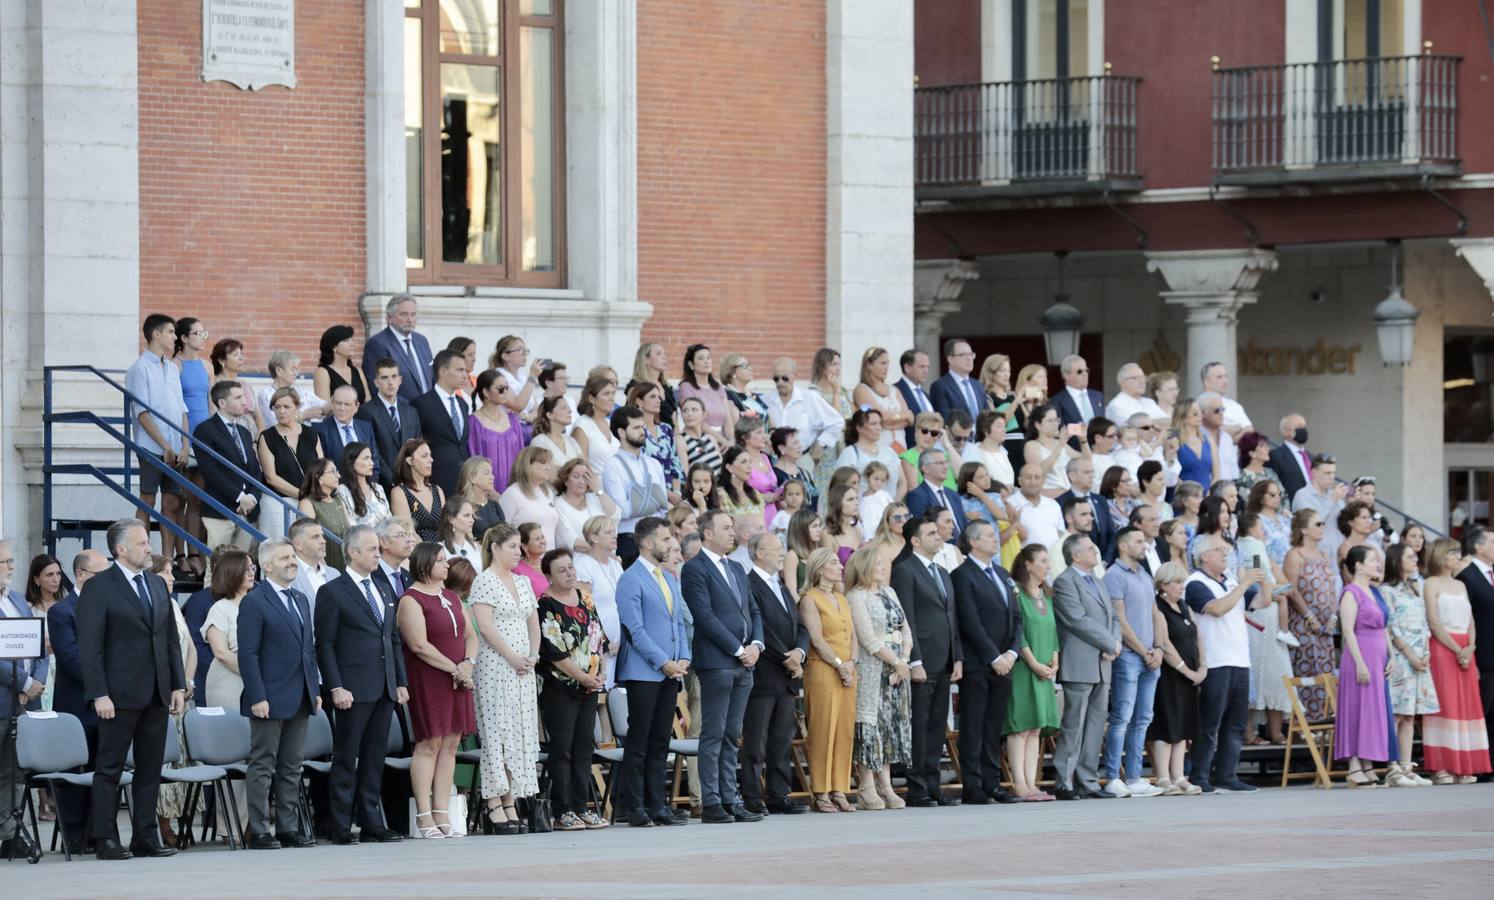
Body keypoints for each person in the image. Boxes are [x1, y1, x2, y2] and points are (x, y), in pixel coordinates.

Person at [73, 520, 184, 859]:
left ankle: (145, 837)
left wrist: (178, 684)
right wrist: (99, 693)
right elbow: (89, 647)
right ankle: (105, 838)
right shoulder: (100, 587)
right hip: (117, 695)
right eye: (142, 543)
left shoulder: (155, 584)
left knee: (150, 770)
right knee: (110, 768)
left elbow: (169, 640)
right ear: (121, 550)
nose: (149, 548)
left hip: (156, 692)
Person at [312, 526, 408, 844]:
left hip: (383, 687)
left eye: (377, 549)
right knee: (346, 756)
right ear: (351, 552)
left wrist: (400, 681)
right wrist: (336, 686)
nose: (377, 554)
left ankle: (371, 821)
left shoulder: (383, 588)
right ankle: (339, 823)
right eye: (370, 549)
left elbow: (392, 638)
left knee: (374, 756)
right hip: (352, 688)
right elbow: (324, 644)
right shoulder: (333, 591)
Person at [680, 510, 765, 824]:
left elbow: (753, 611)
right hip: (717, 662)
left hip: (745, 662)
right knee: (713, 734)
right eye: (726, 528)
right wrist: (738, 648)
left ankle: (731, 797)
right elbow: (704, 616)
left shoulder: (738, 568)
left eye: (733, 527)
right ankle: (712, 801)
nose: (733, 532)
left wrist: (756, 645)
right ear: (707, 533)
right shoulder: (694, 568)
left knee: (732, 734)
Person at [236, 539, 320, 849]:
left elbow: (307, 650)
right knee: (263, 764)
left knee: (291, 765)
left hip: (299, 695)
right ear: (266, 566)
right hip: (268, 697)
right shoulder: (254, 601)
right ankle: (258, 830)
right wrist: (257, 696)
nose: (292, 561)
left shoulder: (299, 599)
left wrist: (314, 688)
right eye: (284, 557)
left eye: (293, 556)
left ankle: (288, 827)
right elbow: (248, 654)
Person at [613, 517, 691, 826]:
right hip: (644, 672)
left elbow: (678, 623)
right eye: (664, 539)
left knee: (661, 740)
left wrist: (683, 656)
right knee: (639, 740)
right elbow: (634, 629)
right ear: (647, 542)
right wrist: (662, 661)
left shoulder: (669, 576)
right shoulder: (631, 578)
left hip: (670, 671)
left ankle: (658, 804)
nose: (670, 544)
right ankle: (636, 806)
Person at [469, 524, 542, 833]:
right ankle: (493, 802)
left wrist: (533, 654)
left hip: (524, 667)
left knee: (518, 732)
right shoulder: (483, 581)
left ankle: (511, 798)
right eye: (512, 546)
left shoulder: (524, 582)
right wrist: (512, 657)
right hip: (496, 666)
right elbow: (485, 628)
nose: (518, 551)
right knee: (497, 732)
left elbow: (533, 624)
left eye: (519, 546)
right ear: (495, 548)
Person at [535, 549, 611, 831]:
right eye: (562, 570)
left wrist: (601, 672)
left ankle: (582, 806)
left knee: (584, 747)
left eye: (571, 568)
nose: (569, 574)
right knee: (562, 748)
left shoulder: (586, 599)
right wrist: (582, 677)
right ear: (549, 576)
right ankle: (563, 808)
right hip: (561, 686)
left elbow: (598, 639)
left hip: (589, 686)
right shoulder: (546, 605)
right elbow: (554, 651)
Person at [890, 515, 962, 806]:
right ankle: (917, 786)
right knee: (919, 725)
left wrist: (957, 657)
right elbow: (906, 617)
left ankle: (933, 784)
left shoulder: (943, 572)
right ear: (915, 540)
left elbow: (951, 618)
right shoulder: (905, 570)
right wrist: (914, 660)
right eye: (931, 532)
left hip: (944, 659)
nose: (939, 535)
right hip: (922, 660)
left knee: (936, 726)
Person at [1185, 534, 1264, 794]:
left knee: (1236, 723)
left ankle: (1227, 774)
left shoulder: (1230, 580)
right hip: (1216, 660)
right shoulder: (1195, 582)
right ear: (1204, 555)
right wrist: (1243, 585)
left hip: (1240, 659)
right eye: (1219, 551)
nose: (1225, 555)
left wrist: (1264, 579)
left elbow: (1262, 602)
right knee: (1210, 723)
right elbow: (1217, 609)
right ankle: (1200, 775)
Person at [951, 520, 1022, 804]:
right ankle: (973, 784)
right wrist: (993, 656)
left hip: (1005, 662)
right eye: (990, 536)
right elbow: (970, 621)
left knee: (994, 725)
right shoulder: (962, 575)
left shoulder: (1004, 574)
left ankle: (992, 781)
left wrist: (1012, 653)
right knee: (974, 724)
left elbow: (1017, 617)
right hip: (979, 663)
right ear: (974, 542)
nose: (996, 539)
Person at [44, 550, 110, 851]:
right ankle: (72, 833)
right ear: (82, 575)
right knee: (73, 774)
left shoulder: (110, 607)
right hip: (77, 705)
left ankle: (98, 833)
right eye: (101, 575)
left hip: (109, 703)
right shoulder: (62, 612)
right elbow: (71, 659)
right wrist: (105, 682)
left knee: (103, 769)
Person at [740, 532, 810, 815]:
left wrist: (800, 653)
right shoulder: (749, 583)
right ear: (758, 553)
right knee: (756, 741)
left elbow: (800, 625)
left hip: (788, 676)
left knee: (782, 739)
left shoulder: (780, 585)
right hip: (765, 673)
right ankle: (752, 796)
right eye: (775, 548)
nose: (782, 553)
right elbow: (760, 629)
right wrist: (787, 657)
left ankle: (779, 794)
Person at [1049, 534, 1120, 800]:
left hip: (1103, 661)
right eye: (1090, 548)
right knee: (1074, 724)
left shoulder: (1097, 581)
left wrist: (1114, 642)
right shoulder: (1065, 581)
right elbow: (1077, 620)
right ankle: (1064, 780)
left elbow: (1113, 615)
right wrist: (1110, 642)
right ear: (1075, 555)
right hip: (1080, 660)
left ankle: (1088, 780)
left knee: (1094, 724)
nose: (1096, 551)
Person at [843, 544, 912, 812]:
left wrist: (903, 660)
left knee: (888, 726)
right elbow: (867, 638)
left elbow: (905, 629)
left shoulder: (890, 592)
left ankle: (887, 784)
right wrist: (895, 661)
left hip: (897, 670)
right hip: (874, 667)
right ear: (865, 567)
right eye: (879, 563)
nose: (884, 567)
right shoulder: (856, 596)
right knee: (869, 727)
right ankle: (867, 786)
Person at [1096, 526, 1164, 796]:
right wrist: (1142, 649)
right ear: (1123, 545)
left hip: (1150, 655)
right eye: (1138, 541)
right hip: (1129, 656)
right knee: (1122, 716)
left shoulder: (1145, 575)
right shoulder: (1114, 575)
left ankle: (1135, 776)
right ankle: (1114, 776)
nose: (1144, 545)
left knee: (1143, 718)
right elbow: (1119, 619)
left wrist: (1158, 647)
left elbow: (1155, 613)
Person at [1422, 538, 1492, 782]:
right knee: (1447, 703)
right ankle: (1441, 766)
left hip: (1465, 649)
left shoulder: (1460, 585)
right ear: (1442, 556)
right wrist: (1457, 649)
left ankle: (1465, 764)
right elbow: (1434, 622)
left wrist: (1470, 647)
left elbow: (1471, 620)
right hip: (1444, 649)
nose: (1458, 558)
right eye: (1454, 553)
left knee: (1467, 704)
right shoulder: (1430, 584)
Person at [127, 314, 190, 568]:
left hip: (175, 446)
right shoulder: (139, 368)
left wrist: (185, 444)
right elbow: (142, 412)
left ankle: (166, 558)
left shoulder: (173, 368)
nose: (174, 337)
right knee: (148, 499)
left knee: (172, 501)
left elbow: (182, 409)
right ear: (156, 334)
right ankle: (139, 554)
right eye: (171, 332)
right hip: (152, 446)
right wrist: (164, 445)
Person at [798, 548, 858, 812]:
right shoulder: (809, 599)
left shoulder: (840, 598)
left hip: (847, 670)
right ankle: (820, 791)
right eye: (834, 563)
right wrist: (838, 664)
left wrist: (851, 663)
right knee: (823, 730)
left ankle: (840, 788)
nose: (840, 566)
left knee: (844, 730)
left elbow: (853, 635)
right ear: (820, 568)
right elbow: (817, 638)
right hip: (824, 670)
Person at [1004, 545, 1060, 801]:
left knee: (1036, 727)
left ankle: (1033, 783)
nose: (1048, 566)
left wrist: (1054, 660)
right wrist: (1034, 663)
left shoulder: (1046, 595)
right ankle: (1020, 783)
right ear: (1028, 564)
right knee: (1021, 727)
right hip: (1025, 668)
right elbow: (1019, 632)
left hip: (1045, 669)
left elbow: (1053, 631)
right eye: (1043, 561)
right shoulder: (1017, 593)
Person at [1334, 545, 1393, 786]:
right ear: (1358, 565)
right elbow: (1347, 629)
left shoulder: (1374, 591)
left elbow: (1384, 627)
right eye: (1372, 560)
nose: (1378, 564)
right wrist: (1359, 662)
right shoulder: (1351, 592)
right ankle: (1354, 764)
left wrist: (1393, 656)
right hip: (1360, 655)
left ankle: (1368, 762)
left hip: (1378, 656)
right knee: (1358, 707)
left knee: (1373, 710)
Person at [1381, 542, 1437, 786]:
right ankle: (1392, 766)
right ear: (1396, 561)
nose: (1415, 559)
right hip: (1401, 656)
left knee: (1409, 714)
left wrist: (1425, 651)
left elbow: (1424, 622)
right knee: (1396, 713)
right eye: (1410, 556)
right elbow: (1391, 627)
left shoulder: (1415, 587)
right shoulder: (1387, 590)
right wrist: (1410, 654)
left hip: (1418, 654)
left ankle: (1406, 765)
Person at [1149, 561, 1206, 795]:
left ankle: (1179, 775)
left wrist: (1203, 666)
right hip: (1171, 674)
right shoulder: (1158, 607)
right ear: (1163, 585)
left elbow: (1197, 635)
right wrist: (1186, 669)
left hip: (1191, 673)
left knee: (1184, 725)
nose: (1182, 587)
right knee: (1168, 724)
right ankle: (1163, 777)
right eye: (1177, 582)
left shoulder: (1184, 606)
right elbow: (1165, 643)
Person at [194, 380, 263, 554]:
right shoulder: (205, 430)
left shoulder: (245, 433)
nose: (244, 402)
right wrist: (240, 497)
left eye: (244, 397)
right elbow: (211, 471)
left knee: (240, 567)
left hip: (247, 510)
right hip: (220, 509)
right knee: (217, 566)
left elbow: (255, 469)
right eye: (238, 397)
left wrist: (252, 498)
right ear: (222, 403)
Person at [1283, 509, 1338, 721]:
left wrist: (1333, 615)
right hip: (1303, 623)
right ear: (1304, 528)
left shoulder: (1324, 555)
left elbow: (1332, 587)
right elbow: (1292, 589)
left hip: (1326, 625)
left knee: (1325, 670)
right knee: (1306, 668)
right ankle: (1305, 720)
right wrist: (1308, 615)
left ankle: (1323, 716)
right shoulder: (1295, 555)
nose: (1322, 528)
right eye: (1317, 524)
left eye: (1323, 524)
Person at [604, 406, 671, 567]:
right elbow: (623, 511)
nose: (642, 432)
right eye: (636, 427)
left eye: (642, 427)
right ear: (621, 432)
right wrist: (654, 501)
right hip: (630, 539)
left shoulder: (653, 464)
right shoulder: (612, 466)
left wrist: (639, 501)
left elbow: (664, 507)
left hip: (658, 537)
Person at [256, 386, 323, 541]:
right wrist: (301, 495)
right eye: (277, 407)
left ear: (297, 407)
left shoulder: (311, 434)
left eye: (286, 407)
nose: (281, 411)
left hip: (310, 498)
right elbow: (271, 477)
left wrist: (312, 495)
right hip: (278, 500)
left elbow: (321, 468)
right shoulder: (267, 436)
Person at [1453, 526, 1494, 774]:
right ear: (1479, 546)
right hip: (1483, 655)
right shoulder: (1467, 577)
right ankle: (1480, 765)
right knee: (1484, 710)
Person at [357, 358, 423, 493]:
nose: (390, 382)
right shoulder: (366, 412)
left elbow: (417, 445)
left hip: (411, 482)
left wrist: (412, 476)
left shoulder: (411, 410)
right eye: (384, 378)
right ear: (376, 382)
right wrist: (393, 479)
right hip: (382, 484)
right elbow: (371, 451)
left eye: (394, 376)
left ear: (400, 380)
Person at [573, 516, 625, 689]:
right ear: (594, 538)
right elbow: (583, 608)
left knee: (616, 694)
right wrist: (604, 640)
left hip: (621, 640)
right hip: (599, 642)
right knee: (600, 693)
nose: (614, 535)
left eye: (614, 531)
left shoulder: (615, 563)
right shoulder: (583, 565)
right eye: (608, 532)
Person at [411, 350, 472, 496]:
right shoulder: (421, 404)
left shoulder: (463, 404)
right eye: (460, 370)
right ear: (443, 371)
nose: (465, 375)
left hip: (465, 482)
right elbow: (416, 443)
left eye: (465, 370)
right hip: (436, 481)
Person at [361, 294, 434, 402]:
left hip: (428, 411)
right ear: (390, 318)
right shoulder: (377, 344)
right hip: (402, 413)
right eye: (404, 315)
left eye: (413, 314)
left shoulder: (421, 340)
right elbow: (379, 387)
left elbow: (432, 377)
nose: (410, 319)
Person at [465, 369, 525, 495]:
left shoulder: (513, 420)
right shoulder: (473, 422)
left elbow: (521, 458)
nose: (505, 393)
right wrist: (490, 492)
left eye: (507, 388)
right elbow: (473, 460)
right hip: (484, 493)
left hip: (514, 492)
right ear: (486, 392)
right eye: (500, 389)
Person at [851, 348, 913, 453]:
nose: (887, 367)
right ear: (869, 365)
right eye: (882, 363)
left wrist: (888, 422)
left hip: (900, 445)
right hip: (878, 446)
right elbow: (878, 417)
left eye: (888, 363)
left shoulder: (894, 390)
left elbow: (910, 418)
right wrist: (900, 417)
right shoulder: (862, 389)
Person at [498, 446, 560, 550]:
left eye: (549, 463)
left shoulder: (548, 492)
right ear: (528, 465)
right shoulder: (512, 493)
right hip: (523, 560)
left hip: (548, 559)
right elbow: (501, 533)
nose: (548, 468)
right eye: (543, 463)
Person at [835, 409, 904, 501]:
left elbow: (903, 482)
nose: (878, 427)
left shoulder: (889, 451)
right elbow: (839, 486)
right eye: (873, 423)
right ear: (859, 428)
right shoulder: (849, 453)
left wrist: (894, 504)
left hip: (890, 509)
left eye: (880, 423)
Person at [313, 385, 377, 482]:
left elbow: (375, 460)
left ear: (356, 407)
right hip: (336, 490)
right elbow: (321, 468)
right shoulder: (320, 430)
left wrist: (369, 485)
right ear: (332, 403)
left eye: (347, 404)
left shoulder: (366, 428)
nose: (342, 408)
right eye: (338, 403)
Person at [676, 343, 737, 443]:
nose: (706, 362)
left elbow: (728, 419)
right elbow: (696, 421)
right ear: (691, 364)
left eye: (708, 358)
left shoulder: (718, 387)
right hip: (702, 441)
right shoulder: (686, 387)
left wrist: (730, 440)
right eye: (701, 358)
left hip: (724, 441)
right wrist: (722, 441)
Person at [1057, 457, 1115, 562]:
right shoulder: (1060, 503)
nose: (1091, 476)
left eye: (1092, 472)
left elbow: (1111, 533)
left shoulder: (1101, 500)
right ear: (1072, 476)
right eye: (1086, 472)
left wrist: (1105, 561)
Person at [1024, 403, 1088, 497]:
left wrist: (1083, 440)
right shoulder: (1031, 445)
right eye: (1050, 421)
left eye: (1057, 420)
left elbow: (1086, 461)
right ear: (1038, 425)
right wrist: (1060, 445)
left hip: (1069, 494)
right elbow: (1039, 471)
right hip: (1048, 496)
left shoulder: (1060, 443)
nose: (1056, 424)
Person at [389, 439, 447, 543]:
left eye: (430, 455)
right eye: (424, 456)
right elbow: (408, 531)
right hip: (419, 553)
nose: (431, 460)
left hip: (442, 551)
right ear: (410, 461)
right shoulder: (399, 492)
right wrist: (429, 554)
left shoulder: (437, 490)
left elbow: (446, 528)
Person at [1293, 454, 1349, 560]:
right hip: (1315, 558)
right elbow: (1313, 524)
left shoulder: (1336, 496)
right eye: (1327, 473)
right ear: (1314, 473)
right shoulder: (1302, 495)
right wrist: (1332, 500)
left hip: (1338, 557)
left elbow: (1344, 526)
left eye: (1333, 473)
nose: (1332, 477)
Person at [256, 349, 332, 426]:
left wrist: (335, 403)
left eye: (297, 369)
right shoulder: (266, 394)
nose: (297, 373)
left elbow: (325, 405)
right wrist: (304, 415)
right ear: (279, 371)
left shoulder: (301, 392)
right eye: (293, 369)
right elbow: (275, 423)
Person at [297, 462, 349, 571]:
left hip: (348, 564)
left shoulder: (339, 500)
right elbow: (309, 540)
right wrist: (326, 571)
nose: (338, 476)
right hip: (326, 567)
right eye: (332, 472)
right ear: (318, 477)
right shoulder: (307, 503)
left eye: (337, 471)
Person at [929, 338, 987, 425]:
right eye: (963, 354)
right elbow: (946, 418)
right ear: (950, 359)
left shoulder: (978, 385)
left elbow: (986, 414)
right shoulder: (940, 386)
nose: (969, 358)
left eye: (971, 354)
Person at [1009, 463, 1065, 549]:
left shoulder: (1053, 504)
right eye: (1028, 477)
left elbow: (1061, 535)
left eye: (1037, 477)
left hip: (1053, 560)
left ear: (1043, 481)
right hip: (1023, 560)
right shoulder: (1010, 503)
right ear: (1019, 481)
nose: (1033, 482)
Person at [336, 443, 393, 528]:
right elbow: (351, 527)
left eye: (371, 458)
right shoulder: (343, 491)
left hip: (387, 539)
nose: (372, 463)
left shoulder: (378, 488)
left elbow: (390, 520)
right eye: (366, 458)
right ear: (351, 462)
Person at [288, 516, 341, 607]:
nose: (323, 541)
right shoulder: (288, 576)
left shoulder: (335, 574)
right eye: (315, 537)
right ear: (298, 544)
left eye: (322, 536)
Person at [488, 335, 545, 419]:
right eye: (519, 350)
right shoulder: (498, 376)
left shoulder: (522, 378)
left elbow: (536, 408)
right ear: (505, 356)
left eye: (525, 350)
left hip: (526, 427)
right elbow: (517, 405)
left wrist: (526, 417)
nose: (524, 354)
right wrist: (532, 376)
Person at [627, 342, 679, 428]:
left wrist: (677, 435)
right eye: (658, 353)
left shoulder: (666, 386)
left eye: (664, 354)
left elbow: (674, 417)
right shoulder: (636, 386)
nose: (664, 357)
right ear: (646, 360)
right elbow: (633, 416)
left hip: (669, 434)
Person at [1173, 398, 1217, 490]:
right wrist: (1191, 493)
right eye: (1195, 414)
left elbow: (1216, 475)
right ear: (1184, 418)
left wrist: (1208, 494)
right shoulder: (1175, 441)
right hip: (1183, 495)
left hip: (1207, 497)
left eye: (1201, 412)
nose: (1200, 416)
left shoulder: (1209, 440)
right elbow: (1172, 474)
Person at [1267, 413, 1313, 500]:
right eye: (1298, 427)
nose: (1303, 430)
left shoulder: (1311, 457)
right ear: (1285, 431)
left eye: (1304, 426)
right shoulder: (1275, 456)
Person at [1199, 362, 1252, 436]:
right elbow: (1209, 430)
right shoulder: (1197, 406)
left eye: (1226, 376)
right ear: (1206, 382)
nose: (1225, 380)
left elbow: (1249, 430)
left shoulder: (1234, 406)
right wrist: (1238, 428)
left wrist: (1233, 439)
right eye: (1219, 377)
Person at [1052, 354, 1104, 429]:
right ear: (1066, 375)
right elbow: (1060, 429)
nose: (1085, 374)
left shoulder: (1097, 396)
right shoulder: (1056, 401)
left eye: (1087, 370)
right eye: (1079, 371)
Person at [1197, 392, 1240, 481]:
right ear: (1203, 413)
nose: (1221, 413)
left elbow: (1233, 470)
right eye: (1216, 410)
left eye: (1222, 409)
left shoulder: (1226, 438)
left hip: (1226, 489)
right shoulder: (1196, 437)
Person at [720, 353, 769, 421]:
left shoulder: (753, 396)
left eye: (749, 365)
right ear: (732, 372)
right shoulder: (726, 395)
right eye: (744, 366)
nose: (750, 368)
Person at [514, 522, 551, 597]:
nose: (542, 541)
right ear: (524, 546)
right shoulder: (516, 570)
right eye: (537, 539)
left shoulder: (550, 562)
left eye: (542, 537)